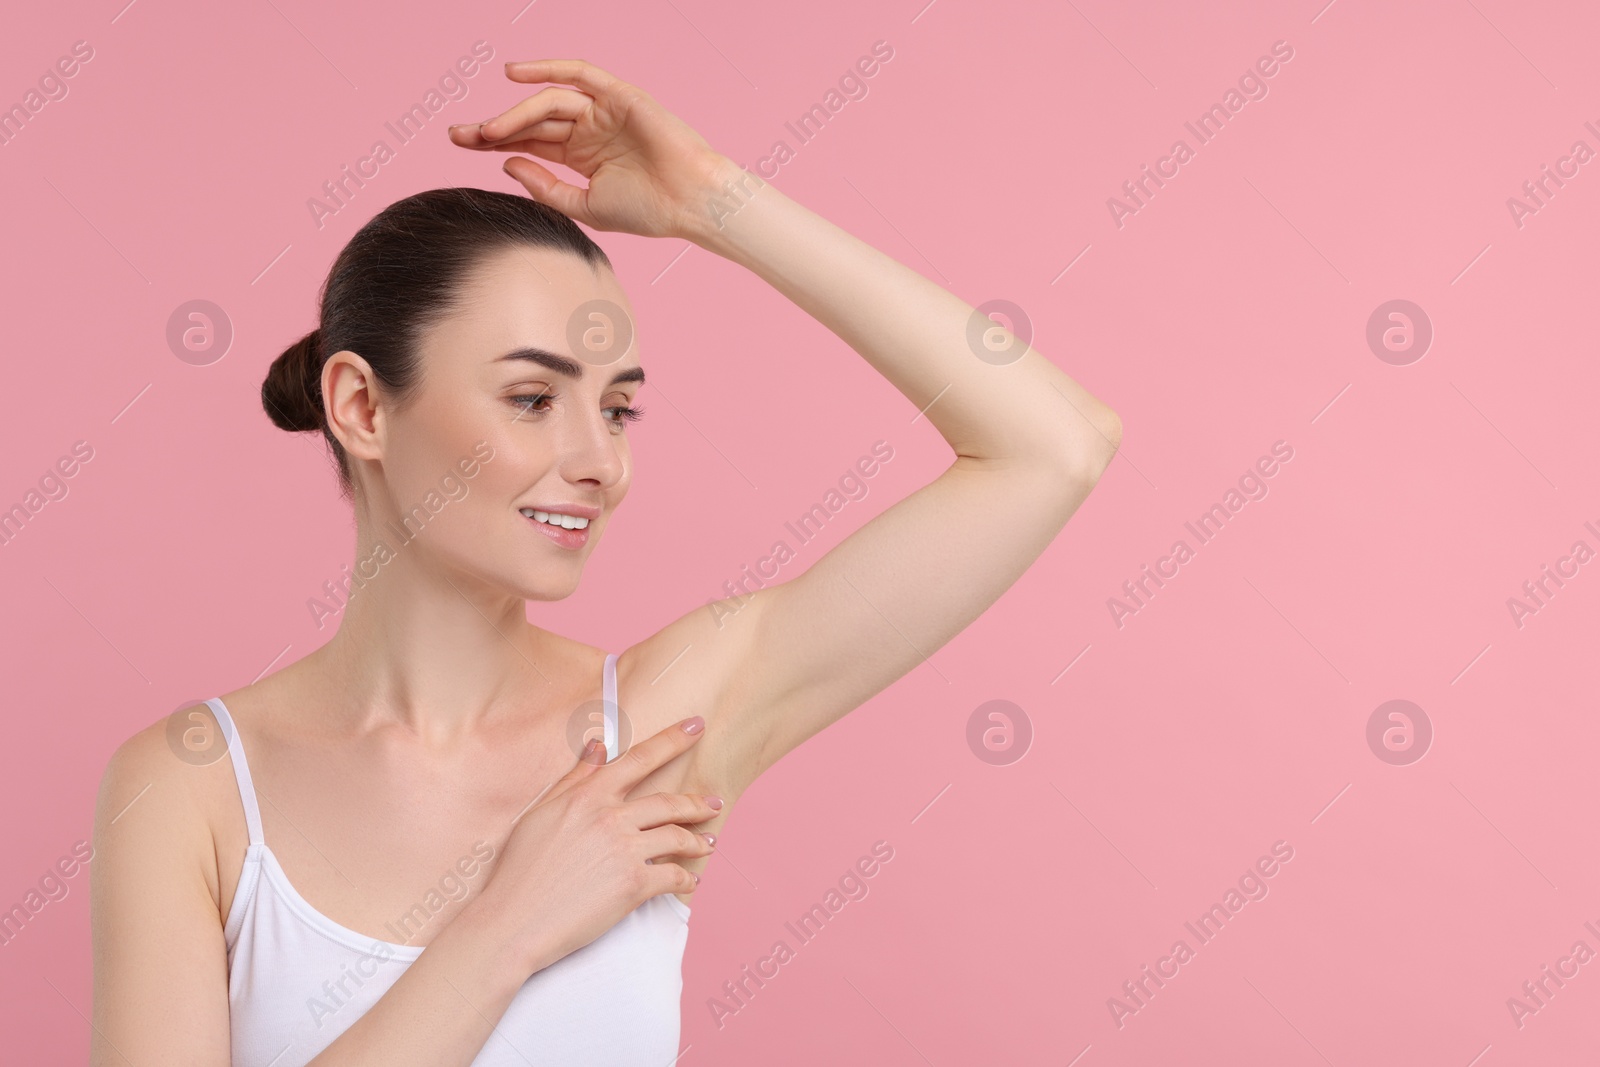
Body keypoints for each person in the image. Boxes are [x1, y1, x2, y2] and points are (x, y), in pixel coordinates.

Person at [90, 58, 1121, 1066]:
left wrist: (714, 199)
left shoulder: (662, 729)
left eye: (618, 407)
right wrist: (503, 931)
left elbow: (1053, 445)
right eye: (534, 398)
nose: (601, 462)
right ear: (362, 406)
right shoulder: (191, 787)